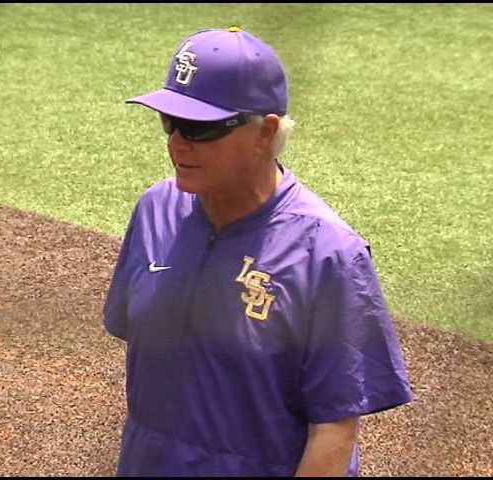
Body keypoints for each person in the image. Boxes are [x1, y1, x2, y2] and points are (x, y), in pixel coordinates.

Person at [103, 26, 413, 477]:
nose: (177, 142)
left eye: (200, 128)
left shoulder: (327, 254)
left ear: (265, 132)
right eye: (170, 122)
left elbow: (334, 431)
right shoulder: (156, 210)